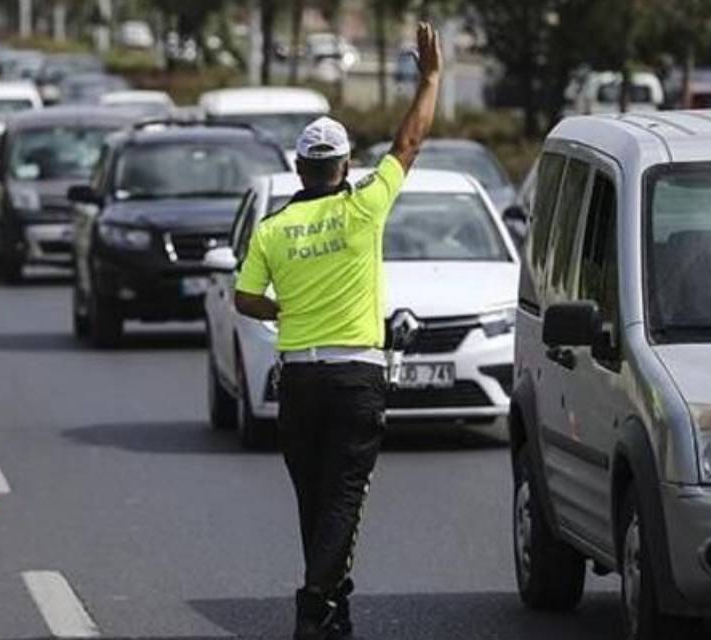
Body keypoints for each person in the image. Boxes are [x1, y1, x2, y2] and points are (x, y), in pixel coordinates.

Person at [233, 22, 442, 640]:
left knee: (314, 500)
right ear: (346, 165)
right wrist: (430, 78)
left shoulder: (272, 229)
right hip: (357, 376)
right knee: (345, 498)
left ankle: (332, 610)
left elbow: (246, 299)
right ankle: (313, 603)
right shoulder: (363, 207)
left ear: (299, 168)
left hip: (298, 378)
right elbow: (409, 142)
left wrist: (284, 313)